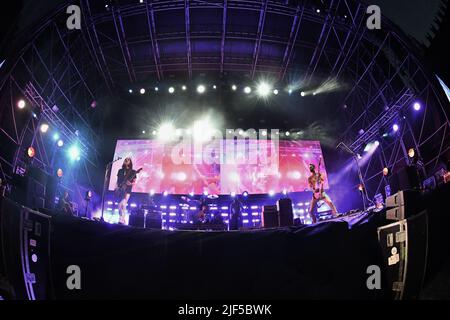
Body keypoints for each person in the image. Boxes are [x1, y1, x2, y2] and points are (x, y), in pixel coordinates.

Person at [116, 157, 137, 224]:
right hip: (120, 189)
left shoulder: (133, 171)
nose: (126, 160)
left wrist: (131, 183)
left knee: (123, 203)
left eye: (128, 160)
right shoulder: (120, 170)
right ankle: (121, 218)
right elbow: (117, 181)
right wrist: (116, 187)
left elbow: (134, 182)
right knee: (119, 205)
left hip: (127, 189)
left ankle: (122, 219)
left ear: (130, 162)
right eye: (125, 159)